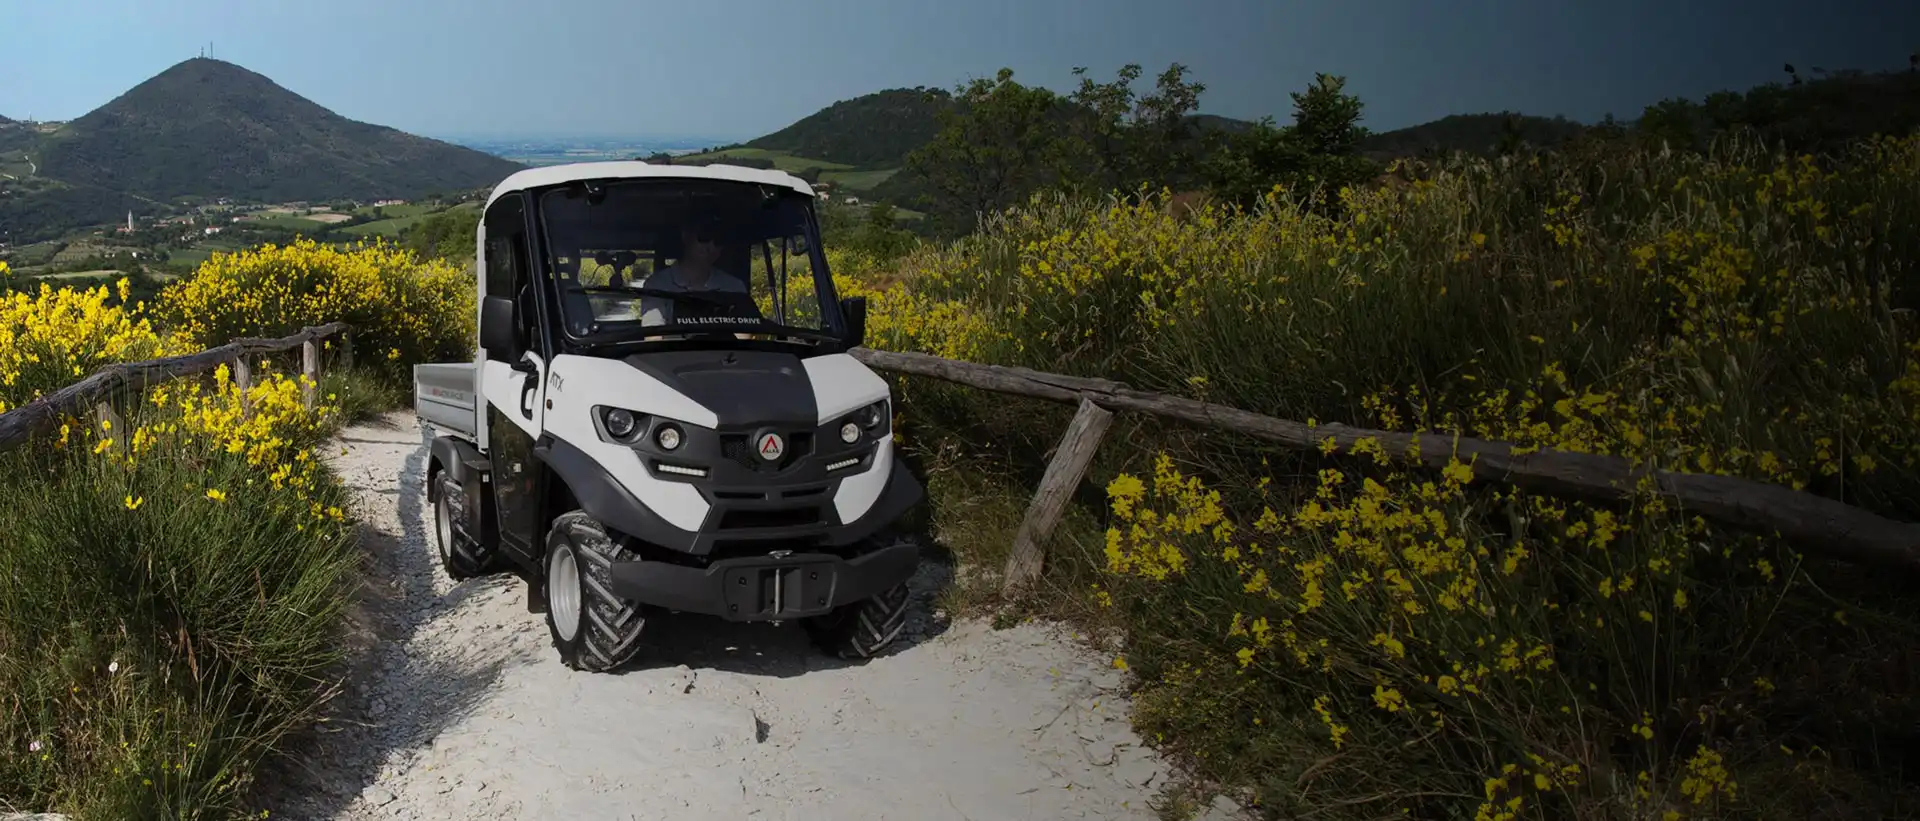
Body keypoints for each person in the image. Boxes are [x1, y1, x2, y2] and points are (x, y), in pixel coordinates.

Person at [637, 219, 751, 327]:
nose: (711, 246)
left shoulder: (734, 286)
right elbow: (654, 336)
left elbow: (743, 335)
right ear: (686, 235)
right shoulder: (657, 284)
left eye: (719, 240)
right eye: (704, 237)